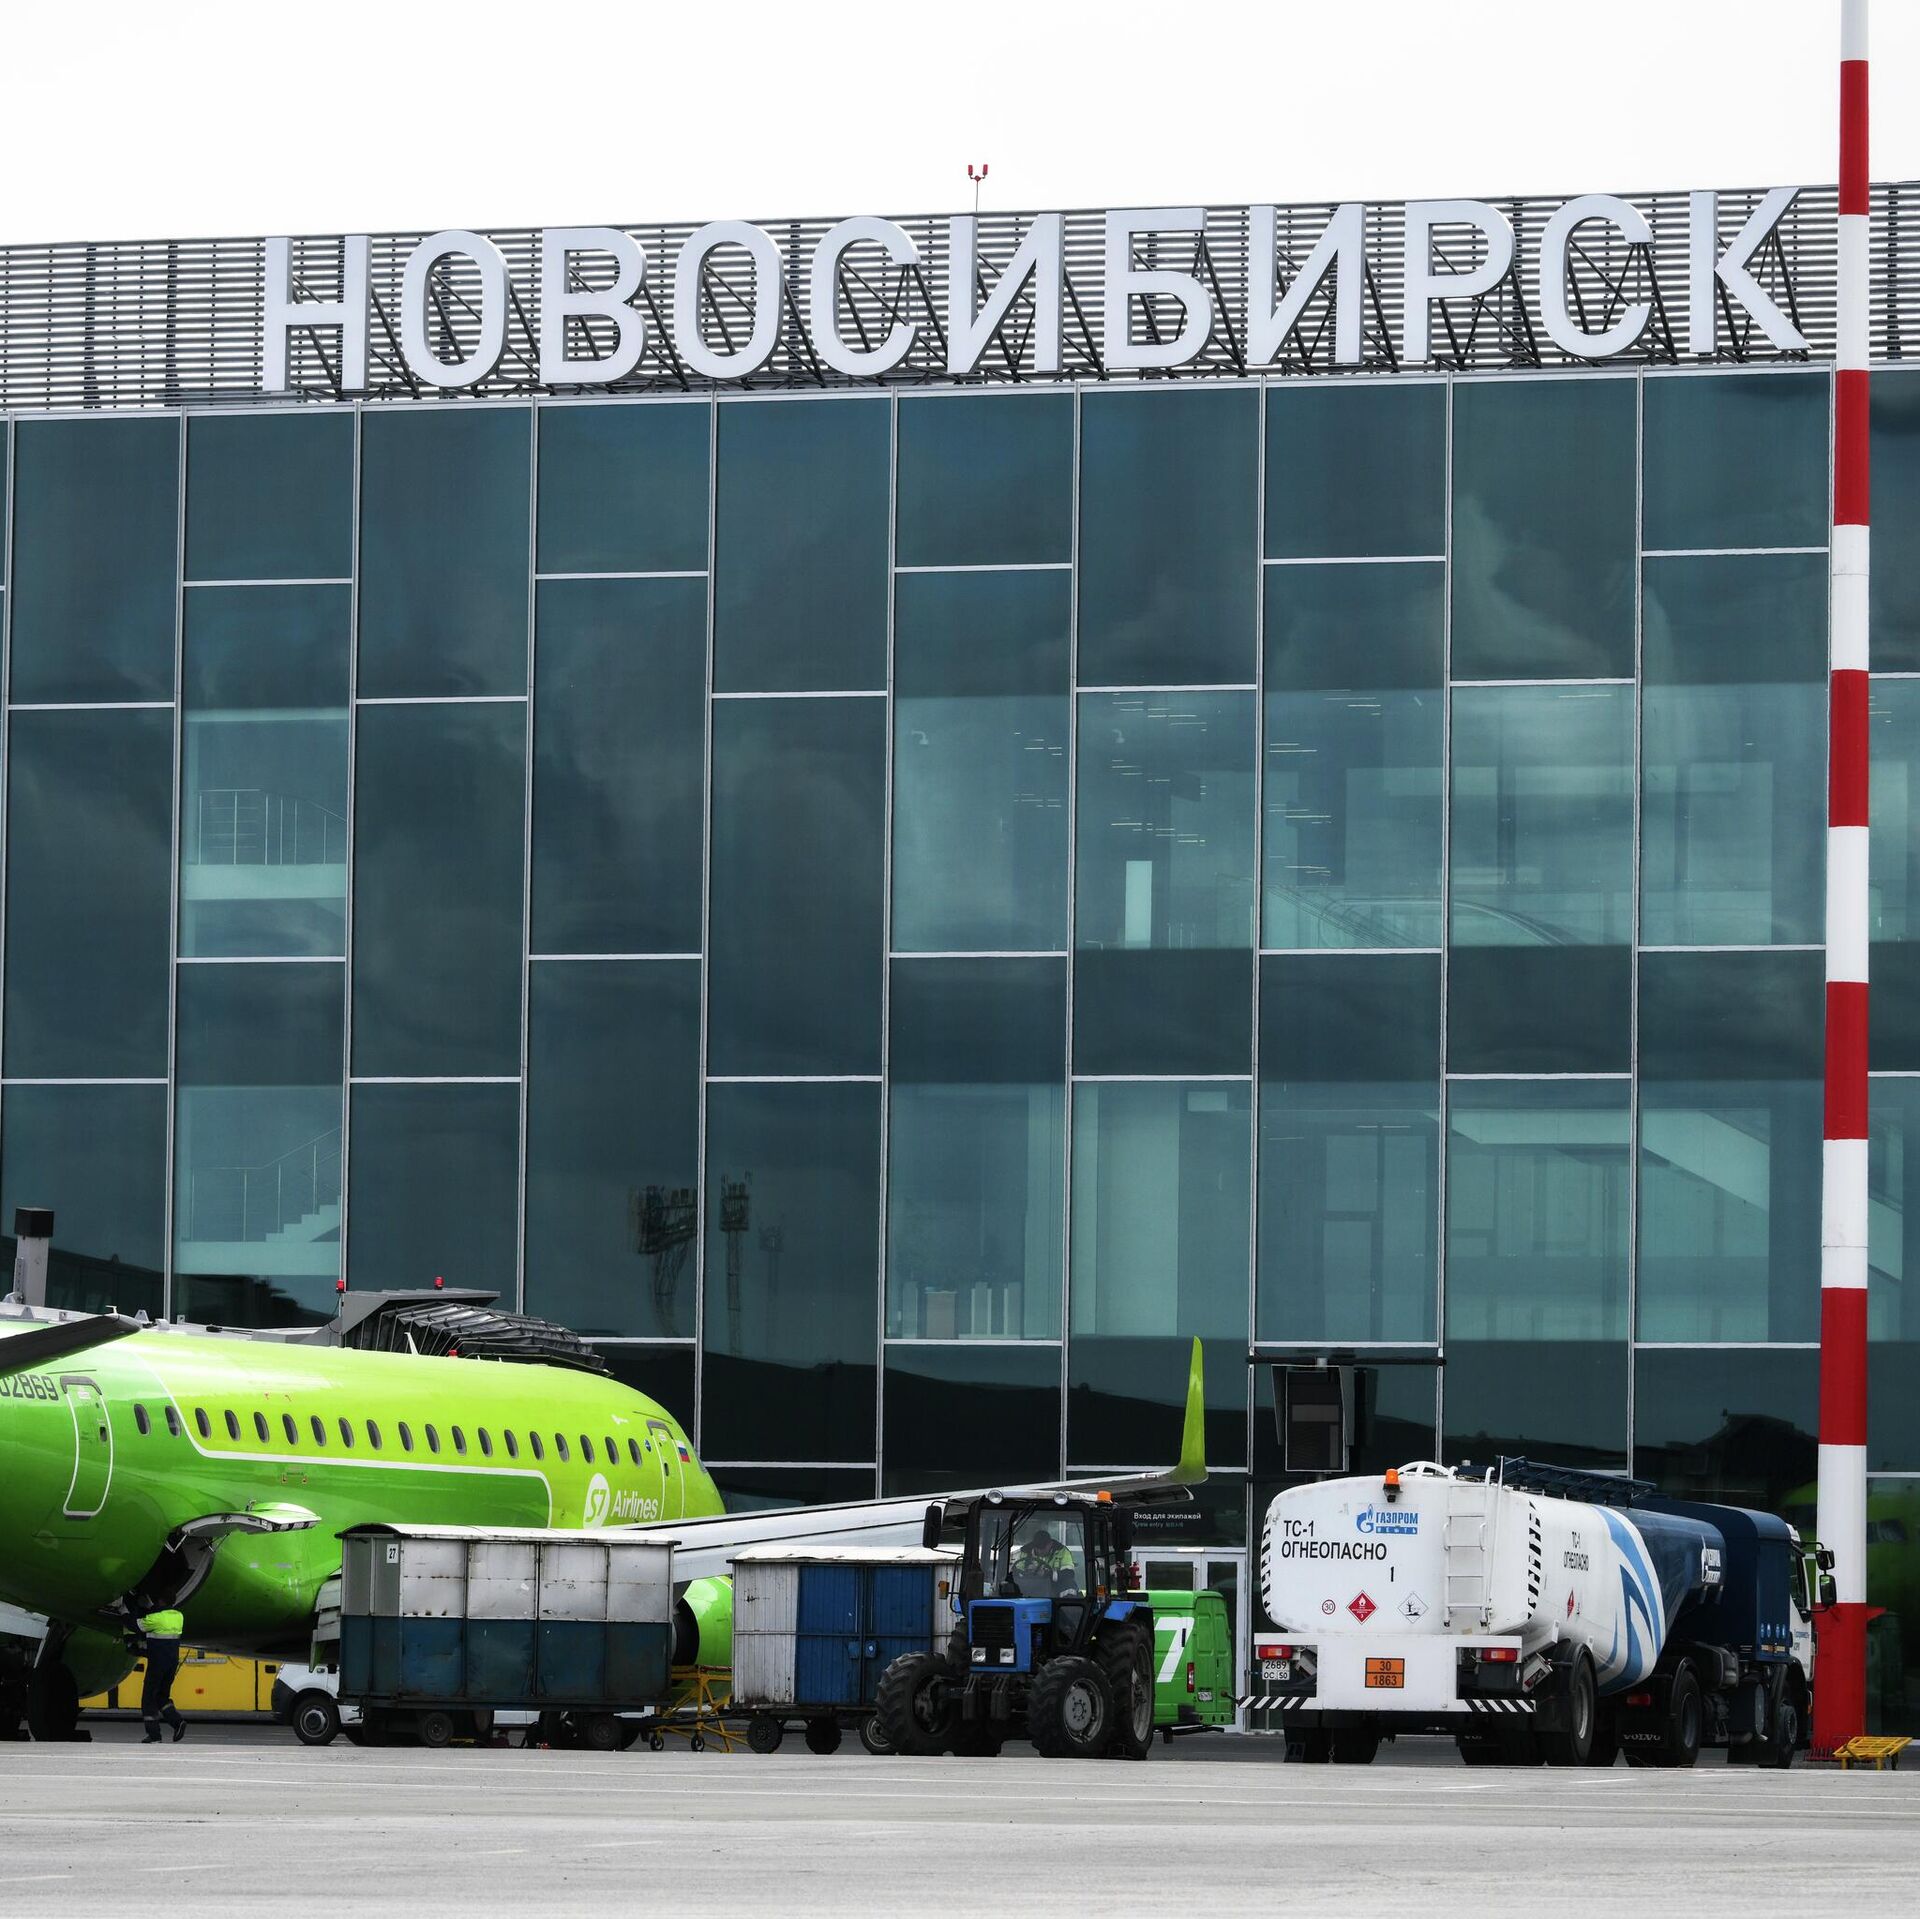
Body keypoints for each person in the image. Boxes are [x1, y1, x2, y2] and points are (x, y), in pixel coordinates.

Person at [132, 1609, 187, 1744]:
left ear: (160, 1601)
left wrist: (124, 1612)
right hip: (171, 1664)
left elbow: (134, 1625)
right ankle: (177, 1722)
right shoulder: (178, 1616)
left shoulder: (156, 1618)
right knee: (161, 1696)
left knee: (149, 1698)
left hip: (157, 1665)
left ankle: (154, 1735)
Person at [1011, 1526, 1077, 1596]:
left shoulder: (1062, 1552)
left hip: (1054, 1587)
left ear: (1050, 1544)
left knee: (1069, 1584)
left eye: (1043, 1548)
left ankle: (1067, 1602)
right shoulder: (1024, 1552)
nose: (1040, 1551)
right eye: (1037, 1548)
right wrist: (1028, 1571)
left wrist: (1047, 1574)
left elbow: (1068, 1574)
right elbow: (1015, 1572)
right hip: (1028, 1586)